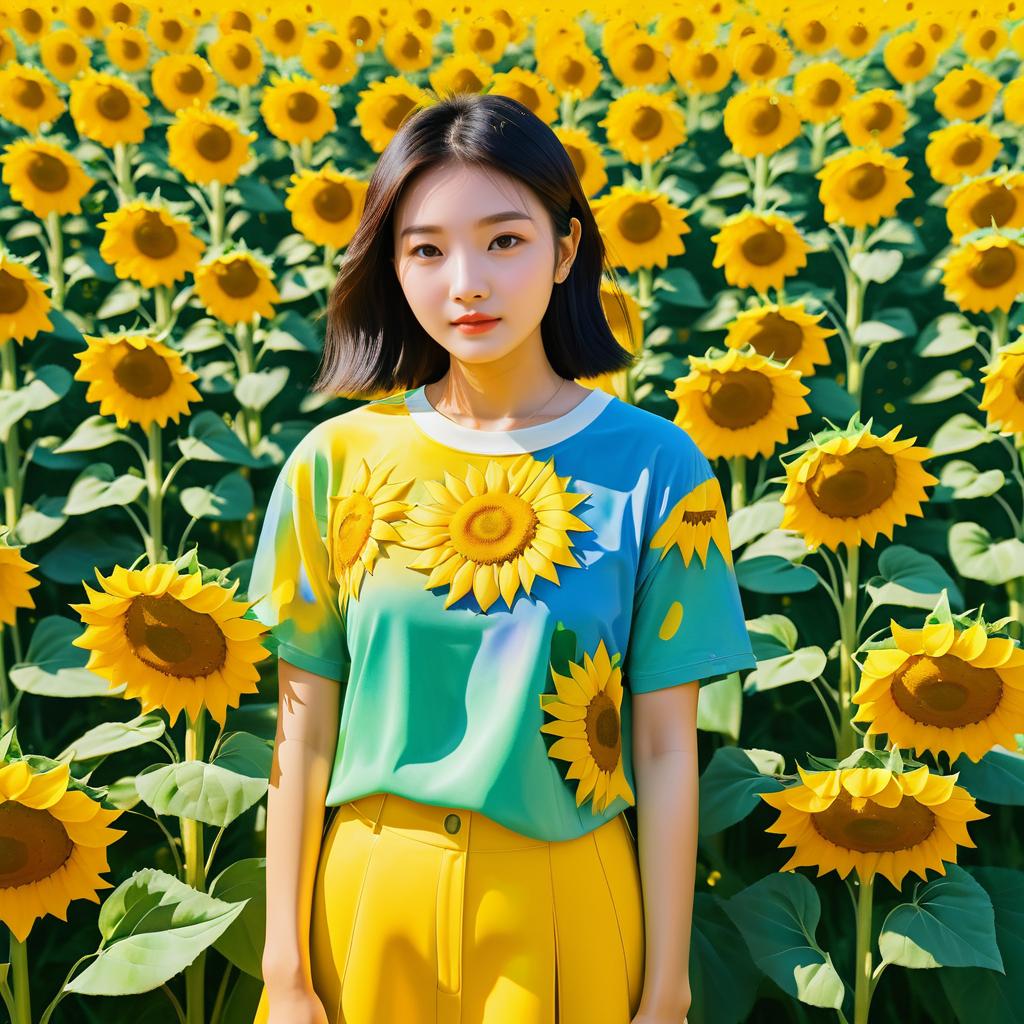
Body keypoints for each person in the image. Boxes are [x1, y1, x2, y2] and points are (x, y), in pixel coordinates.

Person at [248, 92, 756, 1024]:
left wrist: (668, 992)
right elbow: (301, 731)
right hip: (367, 902)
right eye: (426, 248)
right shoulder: (335, 463)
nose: (466, 283)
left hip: (569, 903)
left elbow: (666, 746)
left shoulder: (657, 467)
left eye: (505, 241)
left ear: (566, 251)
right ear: (391, 265)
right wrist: (285, 975)